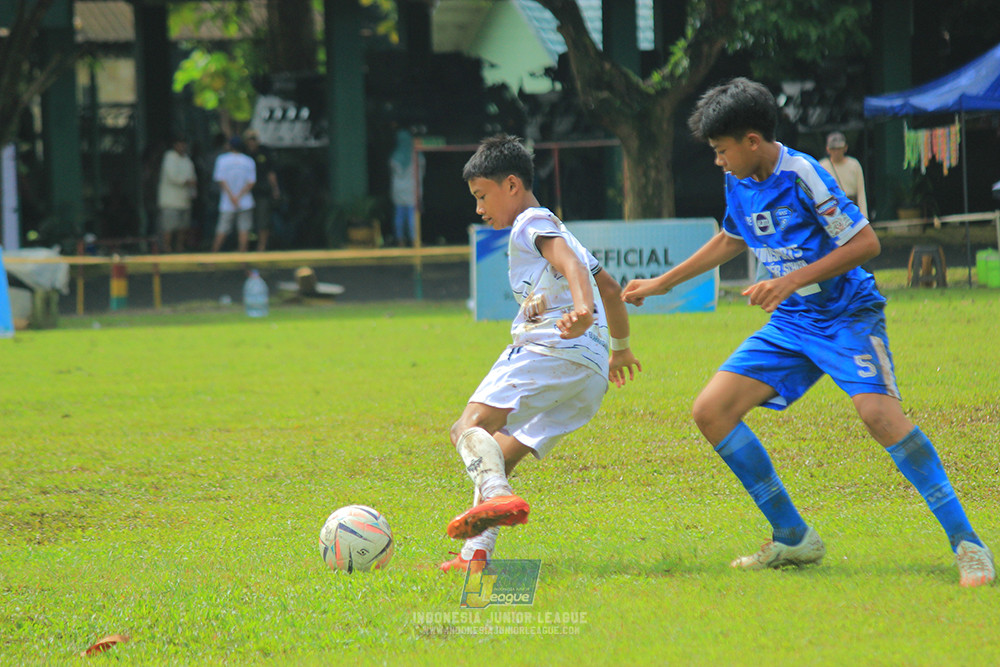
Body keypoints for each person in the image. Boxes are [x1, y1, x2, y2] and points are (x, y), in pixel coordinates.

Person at [622, 77, 994, 587]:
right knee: (711, 410)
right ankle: (793, 537)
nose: (718, 161)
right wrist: (663, 283)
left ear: (752, 141)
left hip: (847, 316)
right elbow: (731, 239)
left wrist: (790, 279)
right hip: (793, 321)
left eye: (721, 150)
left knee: (879, 416)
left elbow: (866, 244)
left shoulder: (804, 174)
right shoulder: (739, 178)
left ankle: (968, 544)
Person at [440, 135, 642, 572]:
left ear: (511, 184)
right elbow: (610, 286)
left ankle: (496, 497)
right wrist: (620, 349)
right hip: (589, 374)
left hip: (550, 349)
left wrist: (582, 311)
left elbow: (571, 266)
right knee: (497, 455)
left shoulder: (529, 221)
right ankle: (475, 555)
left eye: (481, 196)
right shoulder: (556, 228)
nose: (478, 209)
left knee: (466, 429)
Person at [211, 136, 256, 253]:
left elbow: (221, 180)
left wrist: (232, 197)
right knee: (244, 231)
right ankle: (243, 261)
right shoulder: (248, 160)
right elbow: (251, 182)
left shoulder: (222, 159)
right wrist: (239, 197)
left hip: (227, 202)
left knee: (222, 230)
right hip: (245, 201)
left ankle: (212, 259)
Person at [156, 135, 197, 252]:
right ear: (175, 145)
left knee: (183, 228)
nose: (182, 146)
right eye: (180, 143)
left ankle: (180, 248)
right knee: (169, 227)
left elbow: (193, 178)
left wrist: (193, 191)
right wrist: (188, 181)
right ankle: (167, 248)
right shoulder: (169, 157)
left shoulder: (187, 160)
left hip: (185, 200)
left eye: (184, 144)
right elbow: (174, 177)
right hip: (170, 201)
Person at [243, 129, 281, 251]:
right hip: (244, 193)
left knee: (263, 220)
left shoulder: (264, 152)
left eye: (254, 139)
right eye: (250, 139)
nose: (252, 142)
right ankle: (243, 247)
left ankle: (261, 247)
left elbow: (271, 172)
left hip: (262, 192)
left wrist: (275, 189)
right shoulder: (243, 153)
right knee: (245, 221)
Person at [388, 128, 426, 246]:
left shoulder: (394, 157)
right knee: (412, 215)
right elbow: (422, 172)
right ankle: (415, 240)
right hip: (412, 188)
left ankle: (400, 240)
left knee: (399, 214)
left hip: (398, 189)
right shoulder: (417, 155)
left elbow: (392, 172)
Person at [819, 131, 868, 218]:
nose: (836, 152)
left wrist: (864, 215)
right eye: (833, 149)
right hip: (832, 209)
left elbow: (861, 191)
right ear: (828, 149)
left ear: (845, 148)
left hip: (851, 206)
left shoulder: (854, 164)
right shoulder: (822, 166)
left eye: (839, 148)